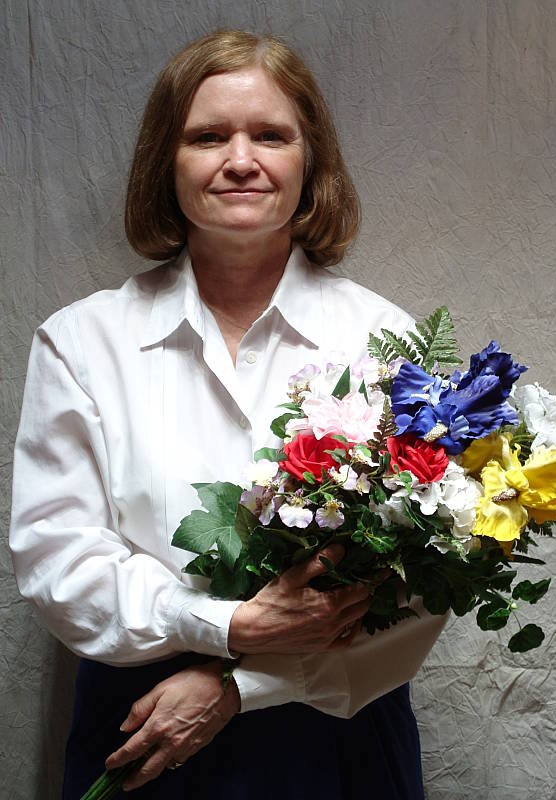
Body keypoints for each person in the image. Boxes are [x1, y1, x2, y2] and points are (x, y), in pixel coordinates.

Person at [9, 30, 447, 799]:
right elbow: (58, 560)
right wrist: (225, 627)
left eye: (270, 135)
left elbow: (422, 581)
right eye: (208, 137)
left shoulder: (384, 340)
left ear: (310, 161)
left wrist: (242, 685)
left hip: (338, 740)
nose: (240, 160)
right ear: (165, 162)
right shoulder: (81, 343)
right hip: (146, 727)